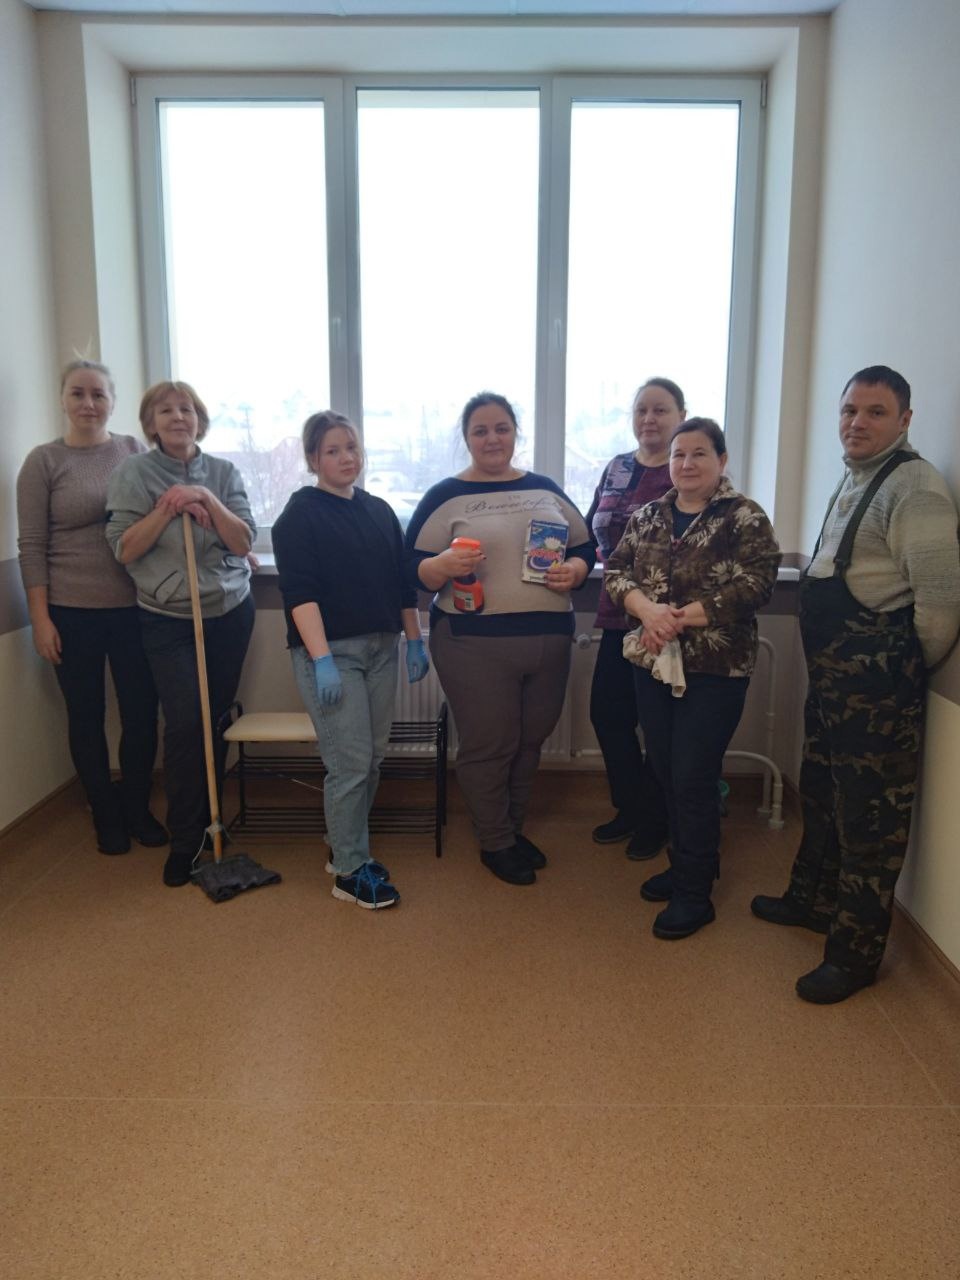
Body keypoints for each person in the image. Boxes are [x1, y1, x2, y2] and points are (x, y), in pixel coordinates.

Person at [751, 366, 960, 1003]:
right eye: (849, 410)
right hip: (834, 684)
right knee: (820, 791)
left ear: (905, 420)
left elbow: (940, 604)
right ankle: (810, 902)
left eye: (875, 412)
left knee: (870, 820)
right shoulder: (856, 478)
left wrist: (895, 675)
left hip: (878, 692)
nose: (857, 423)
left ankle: (854, 957)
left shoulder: (915, 486)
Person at [406, 391, 595, 886]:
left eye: (501, 428)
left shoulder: (546, 489)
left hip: (549, 639)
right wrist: (441, 565)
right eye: (480, 430)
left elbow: (585, 546)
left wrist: (576, 570)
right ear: (466, 438)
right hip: (472, 644)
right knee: (490, 744)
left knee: (530, 741)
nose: (492, 439)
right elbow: (409, 568)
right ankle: (494, 842)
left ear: (515, 433)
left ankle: (510, 829)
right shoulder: (445, 495)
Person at [606, 418, 780, 939]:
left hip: (715, 669)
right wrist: (646, 610)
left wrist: (678, 618)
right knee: (664, 770)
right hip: (653, 663)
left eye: (699, 453)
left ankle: (694, 894)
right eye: (679, 455)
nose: (686, 463)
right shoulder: (648, 515)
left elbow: (758, 583)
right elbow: (616, 572)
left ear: (721, 461)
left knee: (692, 777)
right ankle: (686, 864)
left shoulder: (744, 516)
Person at [272, 411, 428, 911]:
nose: (346, 458)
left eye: (352, 447)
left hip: (382, 648)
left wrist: (415, 640)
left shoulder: (379, 511)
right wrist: (321, 660)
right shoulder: (299, 516)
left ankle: (345, 846)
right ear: (313, 458)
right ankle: (348, 871)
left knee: (372, 758)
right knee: (349, 762)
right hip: (332, 653)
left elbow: (402, 583)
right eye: (333, 450)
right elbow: (300, 594)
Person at [105, 380, 256, 888]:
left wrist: (206, 498)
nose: (177, 417)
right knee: (186, 723)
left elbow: (242, 541)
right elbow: (125, 549)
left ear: (199, 419)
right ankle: (186, 838)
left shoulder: (224, 472)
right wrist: (167, 507)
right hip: (167, 617)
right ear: (150, 423)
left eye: (186, 409)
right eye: (165, 410)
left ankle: (214, 821)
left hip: (229, 611)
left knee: (215, 719)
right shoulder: (133, 473)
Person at [16, 360, 165, 855]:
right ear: (62, 399)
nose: (88, 403)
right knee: (86, 715)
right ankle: (104, 813)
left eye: (98, 394)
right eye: (78, 393)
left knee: (141, 712)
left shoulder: (131, 451)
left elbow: (161, 515)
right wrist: (40, 619)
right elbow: (31, 546)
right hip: (70, 611)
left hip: (133, 607)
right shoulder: (43, 462)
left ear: (113, 402)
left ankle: (137, 807)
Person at [585, 377, 682, 861]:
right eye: (642, 409)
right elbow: (591, 530)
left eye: (660, 410)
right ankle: (632, 807)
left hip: (665, 622)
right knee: (608, 715)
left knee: (659, 725)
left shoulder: (685, 468)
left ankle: (658, 818)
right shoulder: (617, 467)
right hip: (616, 614)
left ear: (681, 417)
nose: (649, 419)